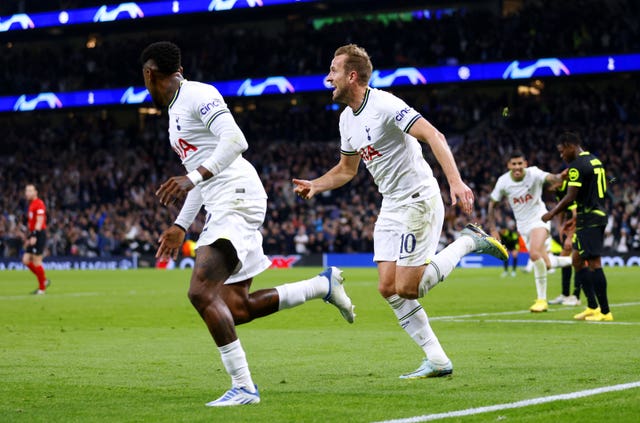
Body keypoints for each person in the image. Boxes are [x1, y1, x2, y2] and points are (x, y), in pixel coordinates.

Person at [140, 41, 355, 407]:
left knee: (199, 292)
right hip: (224, 199)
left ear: (149, 74)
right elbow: (200, 176)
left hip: (235, 195)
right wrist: (180, 224)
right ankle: (322, 286)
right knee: (235, 308)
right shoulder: (176, 113)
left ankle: (244, 387)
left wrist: (193, 179)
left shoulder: (197, 95)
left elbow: (236, 140)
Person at [292, 44, 507, 379]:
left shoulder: (385, 105)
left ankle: (468, 240)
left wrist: (456, 182)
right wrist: (317, 185)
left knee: (409, 287)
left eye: (333, 71)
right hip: (391, 204)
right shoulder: (346, 120)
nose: (327, 78)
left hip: (418, 198)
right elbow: (347, 169)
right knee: (388, 288)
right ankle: (437, 359)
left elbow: (433, 135)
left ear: (352, 75)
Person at [487, 151, 572, 312]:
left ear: (525, 163)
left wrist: (560, 176)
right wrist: (492, 228)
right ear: (509, 166)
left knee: (534, 254)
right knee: (546, 264)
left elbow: (550, 178)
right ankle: (577, 260)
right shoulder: (503, 181)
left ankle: (541, 300)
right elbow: (492, 204)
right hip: (523, 226)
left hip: (540, 219)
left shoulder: (534, 173)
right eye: (514, 164)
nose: (517, 167)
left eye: (520, 163)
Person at [542, 132, 613, 321]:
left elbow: (570, 196)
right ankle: (591, 306)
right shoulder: (595, 161)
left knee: (594, 262)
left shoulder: (576, 166)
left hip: (590, 218)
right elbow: (602, 185)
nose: (561, 155)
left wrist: (551, 213)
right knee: (577, 261)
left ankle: (605, 312)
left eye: (561, 151)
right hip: (591, 215)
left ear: (569, 146)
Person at [548, 179, 581, 306]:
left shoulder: (570, 191)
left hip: (580, 225)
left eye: (551, 185)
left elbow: (575, 214)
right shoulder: (559, 192)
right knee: (565, 257)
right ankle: (566, 294)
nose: (549, 188)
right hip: (571, 227)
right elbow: (561, 209)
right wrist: (560, 226)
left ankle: (576, 296)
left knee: (577, 260)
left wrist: (570, 236)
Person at [22, 184, 51, 295]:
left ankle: (42, 289)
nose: (27, 193)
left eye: (30, 191)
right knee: (25, 260)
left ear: (36, 192)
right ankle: (43, 280)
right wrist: (29, 236)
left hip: (39, 234)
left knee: (36, 261)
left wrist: (34, 235)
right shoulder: (31, 204)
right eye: (26, 191)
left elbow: (40, 220)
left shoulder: (39, 203)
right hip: (33, 234)